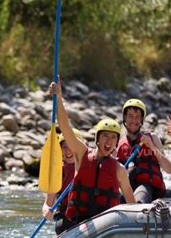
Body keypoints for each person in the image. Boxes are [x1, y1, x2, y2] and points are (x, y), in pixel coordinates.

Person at [49, 77, 135, 228]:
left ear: (116, 143)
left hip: (105, 226)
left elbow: (132, 206)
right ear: (97, 139)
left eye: (113, 138)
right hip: (76, 222)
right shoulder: (81, 153)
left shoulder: (119, 170)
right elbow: (64, 126)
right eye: (105, 136)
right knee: (60, 227)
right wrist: (59, 97)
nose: (108, 141)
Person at [116, 99, 171, 203]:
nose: (134, 120)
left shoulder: (153, 138)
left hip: (149, 188)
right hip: (128, 188)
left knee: (141, 194)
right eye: (130, 116)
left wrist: (152, 147)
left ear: (142, 120)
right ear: (124, 118)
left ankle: (139, 208)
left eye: (137, 117)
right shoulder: (119, 145)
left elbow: (168, 169)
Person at [42, 130, 82, 235]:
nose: (68, 151)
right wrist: (47, 210)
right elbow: (47, 203)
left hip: (88, 217)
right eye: (64, 147)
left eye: (71, 146)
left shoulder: (90, 166)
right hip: (67, 220)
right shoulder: (58, 172)